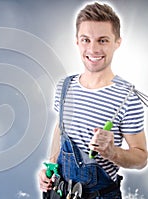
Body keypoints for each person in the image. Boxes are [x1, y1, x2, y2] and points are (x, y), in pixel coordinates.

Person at [38, 2, 147, 199]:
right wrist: (51, 165)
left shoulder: (127, 97)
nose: (93, 49)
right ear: (77, 41)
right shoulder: (65, 86)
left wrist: (112, 152)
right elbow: (60, 128)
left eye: (103, 40)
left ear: (117, 42)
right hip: (59, 191)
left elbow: (141, 158)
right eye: (86, 39)